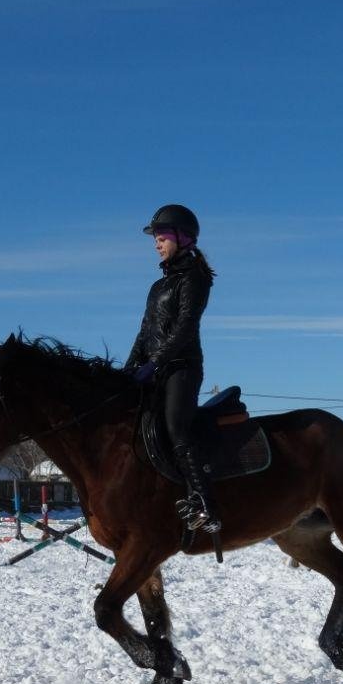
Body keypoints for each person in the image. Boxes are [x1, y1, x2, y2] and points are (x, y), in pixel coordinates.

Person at [126, 203, 221, 534]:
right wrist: (127, 371)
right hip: (154, 369)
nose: (156, 243)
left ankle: (203, 502)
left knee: (175, 427)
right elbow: (144, 333)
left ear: (183, 238)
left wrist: (156, 362)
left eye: (162, 236)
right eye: (155, 237)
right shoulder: (157, 287)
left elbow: (184, 329)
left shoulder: (194, 279)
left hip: (182, 368)